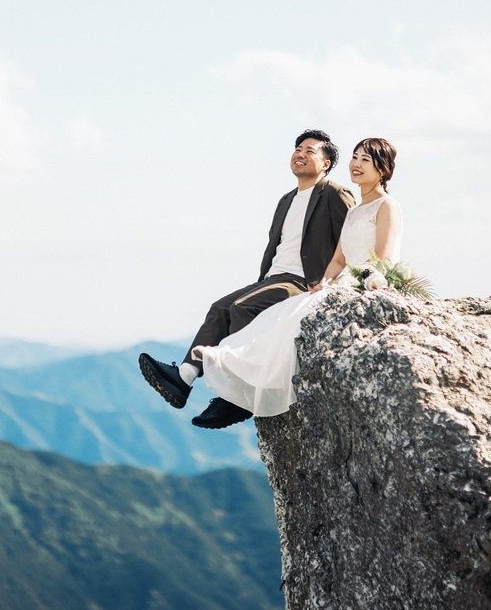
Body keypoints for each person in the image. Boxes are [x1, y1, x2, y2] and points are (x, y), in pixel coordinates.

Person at [139, 130, 355, 428]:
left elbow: (352, 241)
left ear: (327, 163)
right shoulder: (286, 200)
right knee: (220, 308)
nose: (300, 154)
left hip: (305, 280)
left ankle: (238, 397)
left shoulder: (334, 194)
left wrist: (335, 281)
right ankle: (184, 378)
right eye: (297, 148)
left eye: (310, 150)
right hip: (274, 277)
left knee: (243, 308)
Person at [192, 137, 402, 425]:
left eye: (366, 160)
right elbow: (339, 259)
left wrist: (355, 282)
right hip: (339, 283)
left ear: (383, 169)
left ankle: (238, 378)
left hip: (363, 283)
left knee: (288, 316)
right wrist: (326, 282)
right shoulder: (354, 212)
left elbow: (382, 258)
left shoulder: (387, 206)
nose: (356, 164)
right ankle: (231, 364)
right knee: (278, 315)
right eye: (355, 157)